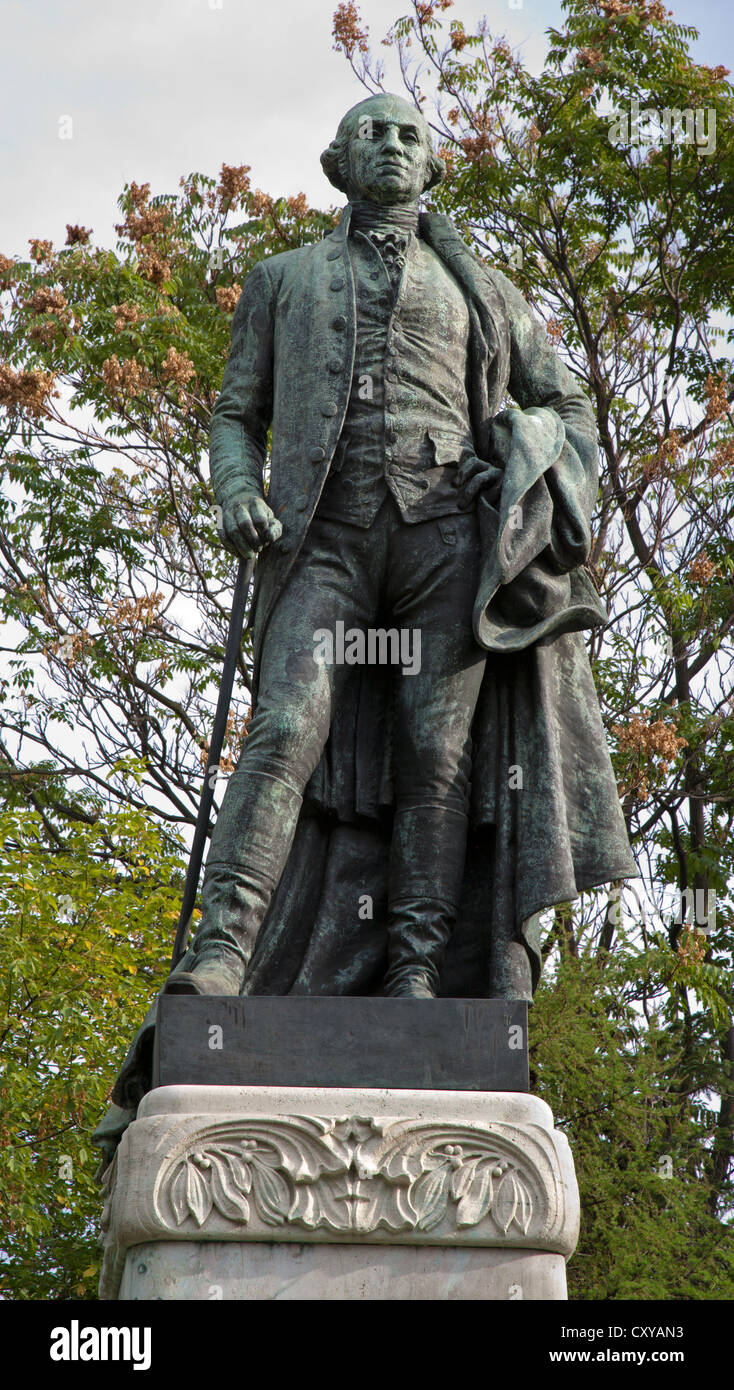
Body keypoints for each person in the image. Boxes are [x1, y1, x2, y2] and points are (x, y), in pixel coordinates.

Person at [164, 92, 636, 1002]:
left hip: (444, 546)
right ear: (338, 161)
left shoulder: (484, 290)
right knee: (284, 729)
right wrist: (234, 489)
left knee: (439, 753)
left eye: (408, 134)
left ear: (432, 165)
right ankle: (222, 955)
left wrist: (517, 464)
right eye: (370, 132)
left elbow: (566, 408)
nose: (390, 144)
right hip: (323, 542)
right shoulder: (282, 278)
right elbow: (236, 413)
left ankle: (416, 969)